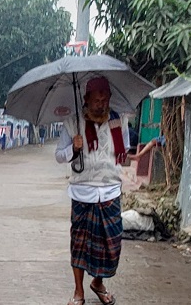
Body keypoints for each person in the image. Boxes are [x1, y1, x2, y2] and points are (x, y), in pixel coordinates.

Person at [55, 76, 129, 305]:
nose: (101, 104)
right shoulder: (72, 123)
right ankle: (79, 292)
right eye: (96, 100)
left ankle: (98, 282)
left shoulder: (119, 121)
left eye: (104, 100)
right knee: (79, 244)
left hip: (110, 191)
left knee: (112, 244)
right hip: (82, 192)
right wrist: (72, 149)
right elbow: (59, 156)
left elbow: (124, 152)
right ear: (86, 99)